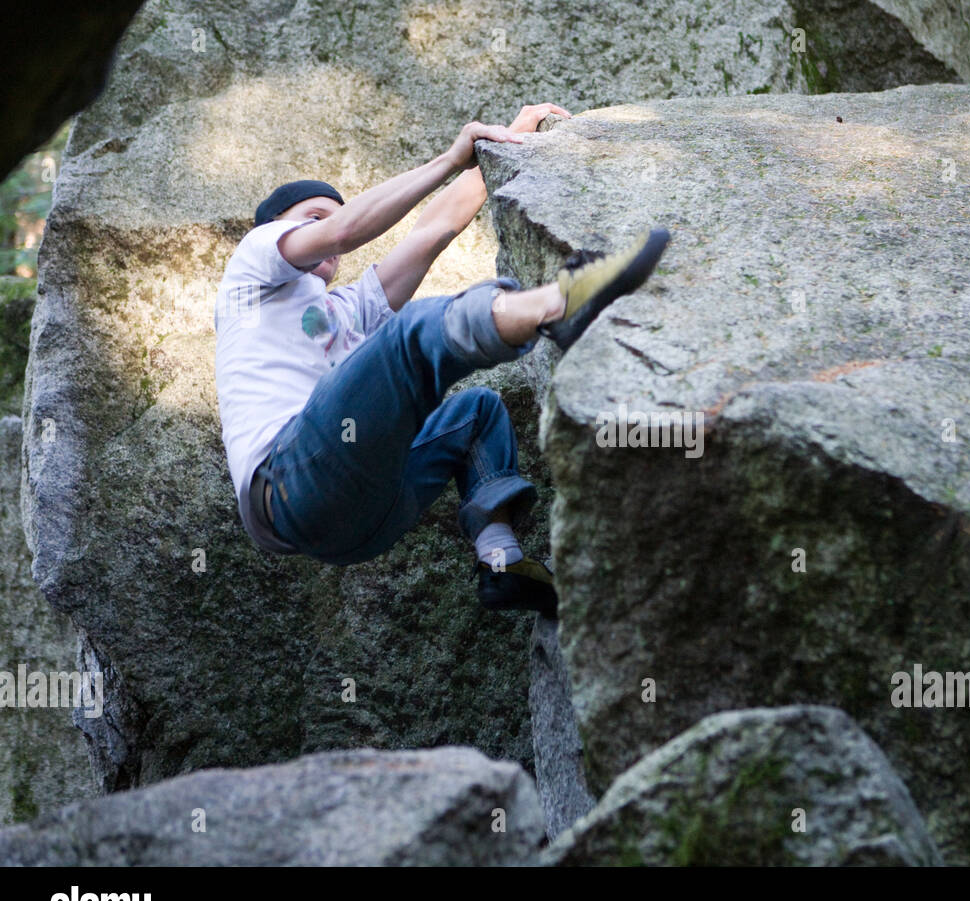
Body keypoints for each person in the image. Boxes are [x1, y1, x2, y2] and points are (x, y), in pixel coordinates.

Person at [213, 103, 669, 617]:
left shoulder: (347, 310)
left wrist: (496, 149)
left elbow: (433, 230)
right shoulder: (251, 268)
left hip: (361, 526)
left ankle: (500, 562)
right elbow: (344, 233)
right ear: (276, 230)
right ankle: (557, 306)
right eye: (314, 218)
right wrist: (446, 159)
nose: (332, 234)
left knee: (478, 413)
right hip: (288, 479)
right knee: (414, 335)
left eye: (333, 217)